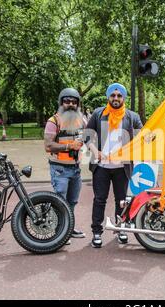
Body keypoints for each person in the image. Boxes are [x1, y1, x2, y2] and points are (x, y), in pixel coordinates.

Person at [86, 83, 143, 248]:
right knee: (99, 200)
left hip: (122, 167)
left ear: (124, 98)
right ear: (108, 97)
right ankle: (97, 232)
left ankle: (121, 229)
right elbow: (87, 135)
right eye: (113, 95)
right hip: (101, 167)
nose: (116, 98)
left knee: (122, 201)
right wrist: (95, 152)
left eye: (119, 96)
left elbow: (142, 136)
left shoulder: (132, 116)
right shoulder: (98, 114)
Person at [44, 88, 86, 244]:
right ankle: (59, 231)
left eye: (74, 102)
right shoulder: (53, 121)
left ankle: (69, 228)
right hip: (59, 169)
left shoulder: (81, 120)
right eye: (67, 101)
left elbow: (89, 136)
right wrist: (69, 147)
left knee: (72, 201)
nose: (70, 104)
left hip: (75, 168)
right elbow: (48, 146)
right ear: (61, 102)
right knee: (60, 201)